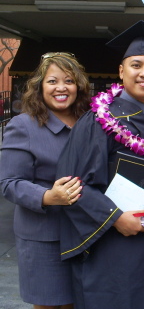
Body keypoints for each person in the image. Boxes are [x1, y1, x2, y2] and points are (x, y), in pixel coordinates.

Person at [55, 21, 144, 309]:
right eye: (136, 65)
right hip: (115, 246)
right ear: (121, 71)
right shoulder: (100, 121)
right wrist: (115, 218)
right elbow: (71, 184)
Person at [0, 52, 91, 309]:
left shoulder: (90, 123)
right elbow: (9, 182)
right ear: (40, 86)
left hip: (85, 232)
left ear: (79, 87)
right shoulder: (24, 126)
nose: (61, 87)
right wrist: (47, 196)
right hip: (45, 236)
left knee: (81, 302)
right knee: (50, 304)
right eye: (52, 81)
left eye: (69, 81)